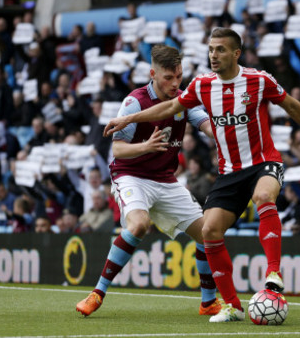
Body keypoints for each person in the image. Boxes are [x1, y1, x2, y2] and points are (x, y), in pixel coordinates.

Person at [104, 28, 300, 323]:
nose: (213, 55)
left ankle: (273, 272)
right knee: (209, 232)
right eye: (210, 49)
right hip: (230, 172)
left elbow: (292, 106)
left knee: (263, 196)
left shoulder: (258, 79)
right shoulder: (202, 86)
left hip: (263, 162)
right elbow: (169, 107)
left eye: (219, 50)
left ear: (235, 53)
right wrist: (129, 118)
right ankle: (232, 306)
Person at [76, 45, 223, 319]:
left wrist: (223, 132)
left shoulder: (182, 99)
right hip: (131, 175)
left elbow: (205, 124)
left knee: (208, 234)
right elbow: (117, 150)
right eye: (169, 77)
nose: (175, 83)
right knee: (140, 225)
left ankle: (208, 302)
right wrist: (145, 147)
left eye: (178, 76)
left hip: (165, 180)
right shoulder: (135, 102)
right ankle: (97, 293)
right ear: (153, 74)